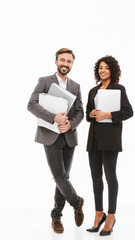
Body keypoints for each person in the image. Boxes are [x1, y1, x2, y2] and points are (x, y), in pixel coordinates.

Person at [27, 48, 84, 234]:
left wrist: (70, 125)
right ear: (56, 61)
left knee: (63, 179)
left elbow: (80, 112)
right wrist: (54, 118)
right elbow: (31, 105)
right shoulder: (44, 81)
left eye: (69, 61)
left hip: (68, 137)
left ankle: (56, 217)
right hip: (50, 136)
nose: (65, 64)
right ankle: (77, 202)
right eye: (62, 60)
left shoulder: (75, 86)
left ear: (72, 64)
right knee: (59, 177)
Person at [86, 55, 133, 236]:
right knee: (96, 178)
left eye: (106, 67)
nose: (102, 70)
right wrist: (91, 114)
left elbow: (128, 111)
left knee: (110, 177)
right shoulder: (93, 91)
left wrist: (108, 115)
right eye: (100, 68)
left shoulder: (119, 89)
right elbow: (86, 116)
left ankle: (111, 216)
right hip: (94, 139)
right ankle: (99, 214)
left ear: (112, 70)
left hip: (110, 139)